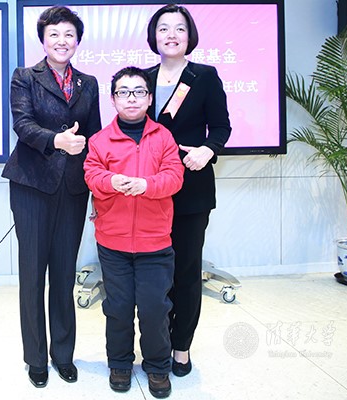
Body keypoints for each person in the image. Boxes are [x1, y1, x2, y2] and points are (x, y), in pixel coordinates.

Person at [1, 5, 101, 388]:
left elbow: (96, 136)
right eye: (54, 34)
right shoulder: (25, 77)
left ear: (77, 41)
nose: (62, 41)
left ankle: (63, 354)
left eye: (69, 34)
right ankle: (36, 358)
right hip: (32, 184)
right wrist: (57, 140)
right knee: (32, 274)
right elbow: (22, 125)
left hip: (73, 187)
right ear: (43, 40)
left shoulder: (89, 83)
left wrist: (99, 189)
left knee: (63, 273)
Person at [84, 66, 184, 399]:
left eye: (139, 91)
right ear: (113, 99)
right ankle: (120, 363)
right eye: (124, 92)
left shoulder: (164, 137)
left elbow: (174, 177)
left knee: (155, 307)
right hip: (113, 242)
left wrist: (147, 185)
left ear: (150, 98)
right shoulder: (100, 140)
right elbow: (91, 174)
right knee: (118, 307)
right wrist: (111, 180)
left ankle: (157, 366)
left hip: (155, 242)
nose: (131, 98)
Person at [144, 4, 232, 378]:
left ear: (189, 35)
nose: (171, 35)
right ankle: (156, 344)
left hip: (191, 188)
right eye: (163, 28)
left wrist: (208, 150)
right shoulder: (143, 79)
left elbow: (222, 127)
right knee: (153, 274)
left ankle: (181, 348)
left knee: (186, 271)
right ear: (154, 36)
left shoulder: (204, 76)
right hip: (149, 190)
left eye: (179, 28)